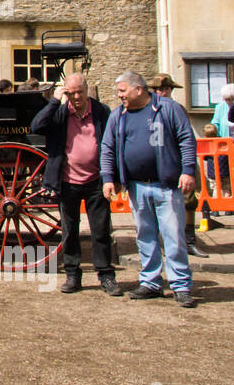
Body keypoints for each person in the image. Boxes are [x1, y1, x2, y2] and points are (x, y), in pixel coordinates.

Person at [100, 71, 199, 307]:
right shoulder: (118, 115)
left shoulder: (168, 109)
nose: (119, 95)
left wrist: (187, 170)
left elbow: (186, 138)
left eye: (123, 90)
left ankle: (180, 285)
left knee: (174, 237)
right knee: (145, 237)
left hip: (166, 185)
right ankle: (151, 282)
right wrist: (108, 178)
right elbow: (108, 148)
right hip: (136, 187)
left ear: (139, 89)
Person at [32, 73, 119, 295]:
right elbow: (37, 126)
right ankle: (72, 275)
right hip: (67, 181)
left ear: (87, 90)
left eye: (80, 92)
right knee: (69, 231)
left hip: (96, 180)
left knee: (100, 230)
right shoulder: (61, 112)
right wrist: (54, 100)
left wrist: (112, 177)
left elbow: (113, 143)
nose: (77, 97)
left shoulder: (101, 112)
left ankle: (106, 276)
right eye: (72, 93)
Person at [149, 72, 209, 258]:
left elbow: (186, 137)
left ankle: (189, 240)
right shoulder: (148, 109)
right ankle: (164, 241)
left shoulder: (178, 109)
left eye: (167, 88)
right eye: (160, 89)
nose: (163, 92)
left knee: (189, 201)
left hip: (179, 160)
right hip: (158, 163)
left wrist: (188, 166)